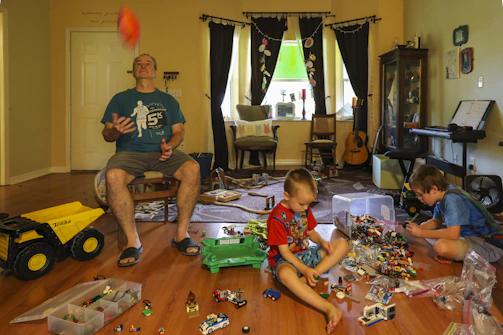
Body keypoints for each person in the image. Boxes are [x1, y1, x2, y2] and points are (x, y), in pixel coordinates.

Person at [101, 54, 201, 267]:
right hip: (129, 153)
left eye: (148, 64)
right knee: (112, 176)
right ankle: (132, 241)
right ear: (134, 72)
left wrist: (170, 146)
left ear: (155, 71)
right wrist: (115, 132)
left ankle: (181, 235)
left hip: (164, 152)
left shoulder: (168, 101)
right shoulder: (120, 99)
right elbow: (107, 133)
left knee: (193, 168)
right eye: (138, 63)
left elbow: (179, 132)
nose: (143, 66)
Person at [266, 168, 349, 334]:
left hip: (305, 255)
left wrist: (323, 242)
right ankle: (328, 308)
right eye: (302, 204)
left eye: (309, 204)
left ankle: (309, 278)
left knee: (342, 244)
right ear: (287, 196)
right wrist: (305, 269)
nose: (305, 208)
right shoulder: (277, 218)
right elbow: (285, 253)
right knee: (284, 275)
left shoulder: (303, 209)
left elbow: (311, 233)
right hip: (285, 261)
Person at [406, 164, 503, 264]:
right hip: (467, 237)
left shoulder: (452, 199)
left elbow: (453, 234)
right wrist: (418, 228)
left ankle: (454, 253)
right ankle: (456, 252)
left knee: (441, 246)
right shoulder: (443, 196)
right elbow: (436, 221)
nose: (419, 198)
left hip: (488, 246)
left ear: (434, 189)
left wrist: (421, 233)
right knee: (424, 227)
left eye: (420, 194)